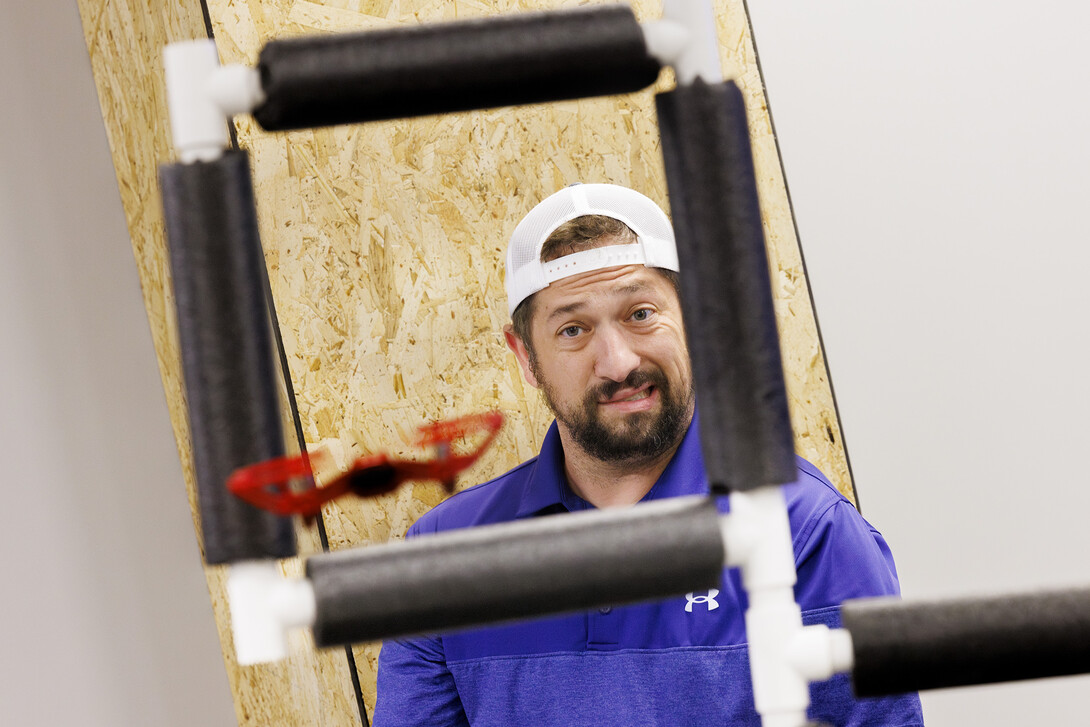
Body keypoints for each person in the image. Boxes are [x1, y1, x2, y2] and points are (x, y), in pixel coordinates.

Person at [373, 184, 924, 726]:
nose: (617, 362)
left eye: (640, 313)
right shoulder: (441, 561)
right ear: (526, 358)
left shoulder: (808, 533)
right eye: (573, 329)